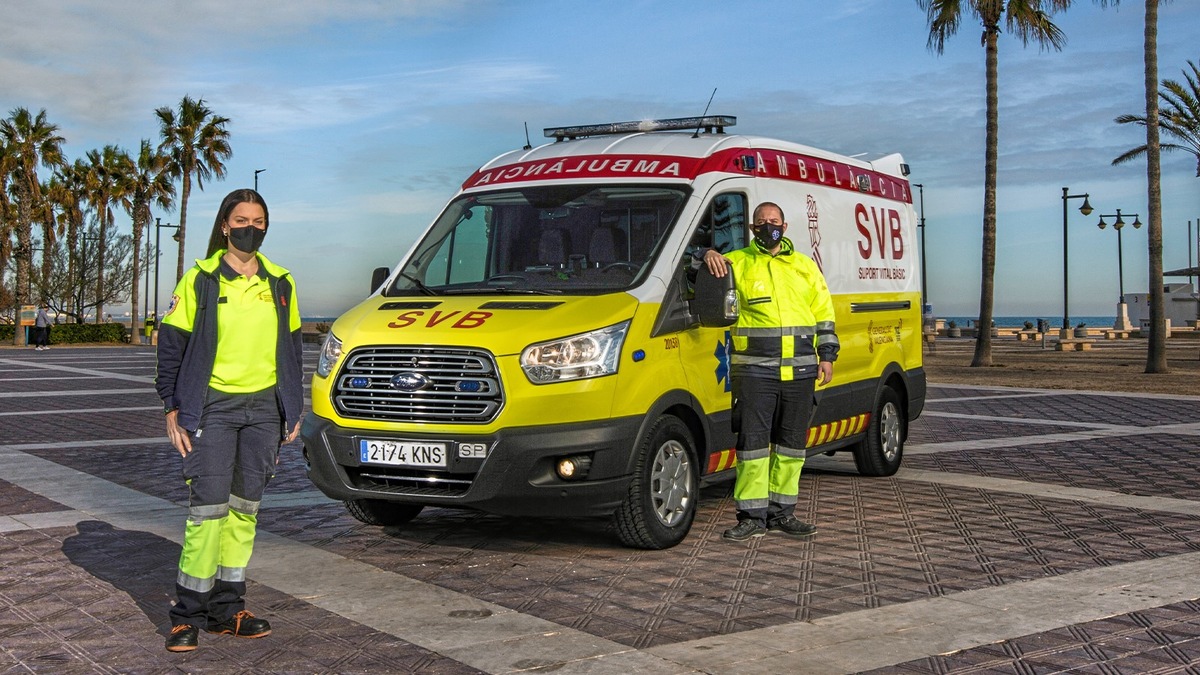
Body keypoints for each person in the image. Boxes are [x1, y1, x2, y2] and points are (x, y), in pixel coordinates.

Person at [155, 188, 304, 652]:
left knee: (244, 512)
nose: (251, 228)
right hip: (213, 410)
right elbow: (171, 347)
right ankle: (187, 616)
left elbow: (293, 350)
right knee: (207, 513)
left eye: (259, 221)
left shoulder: (280, 282)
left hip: (263, 412)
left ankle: (227, 609)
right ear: (224, 225)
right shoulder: (199, 279)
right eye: (242, 220)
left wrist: (292, 408)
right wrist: (171, 408)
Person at [701, 201, 839, 542]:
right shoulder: (739, 262)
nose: (768, 226)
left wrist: (827, 355)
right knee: (753, 447)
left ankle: (782, 514)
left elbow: (824, 312)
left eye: (774, 221)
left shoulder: (804, 266)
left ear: (785, 226)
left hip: (803, 371)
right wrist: (704, 254)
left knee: (792, 447)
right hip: (755, 373)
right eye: (761, 222)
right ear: (752, 229)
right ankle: (751, 517)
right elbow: (699, 278)